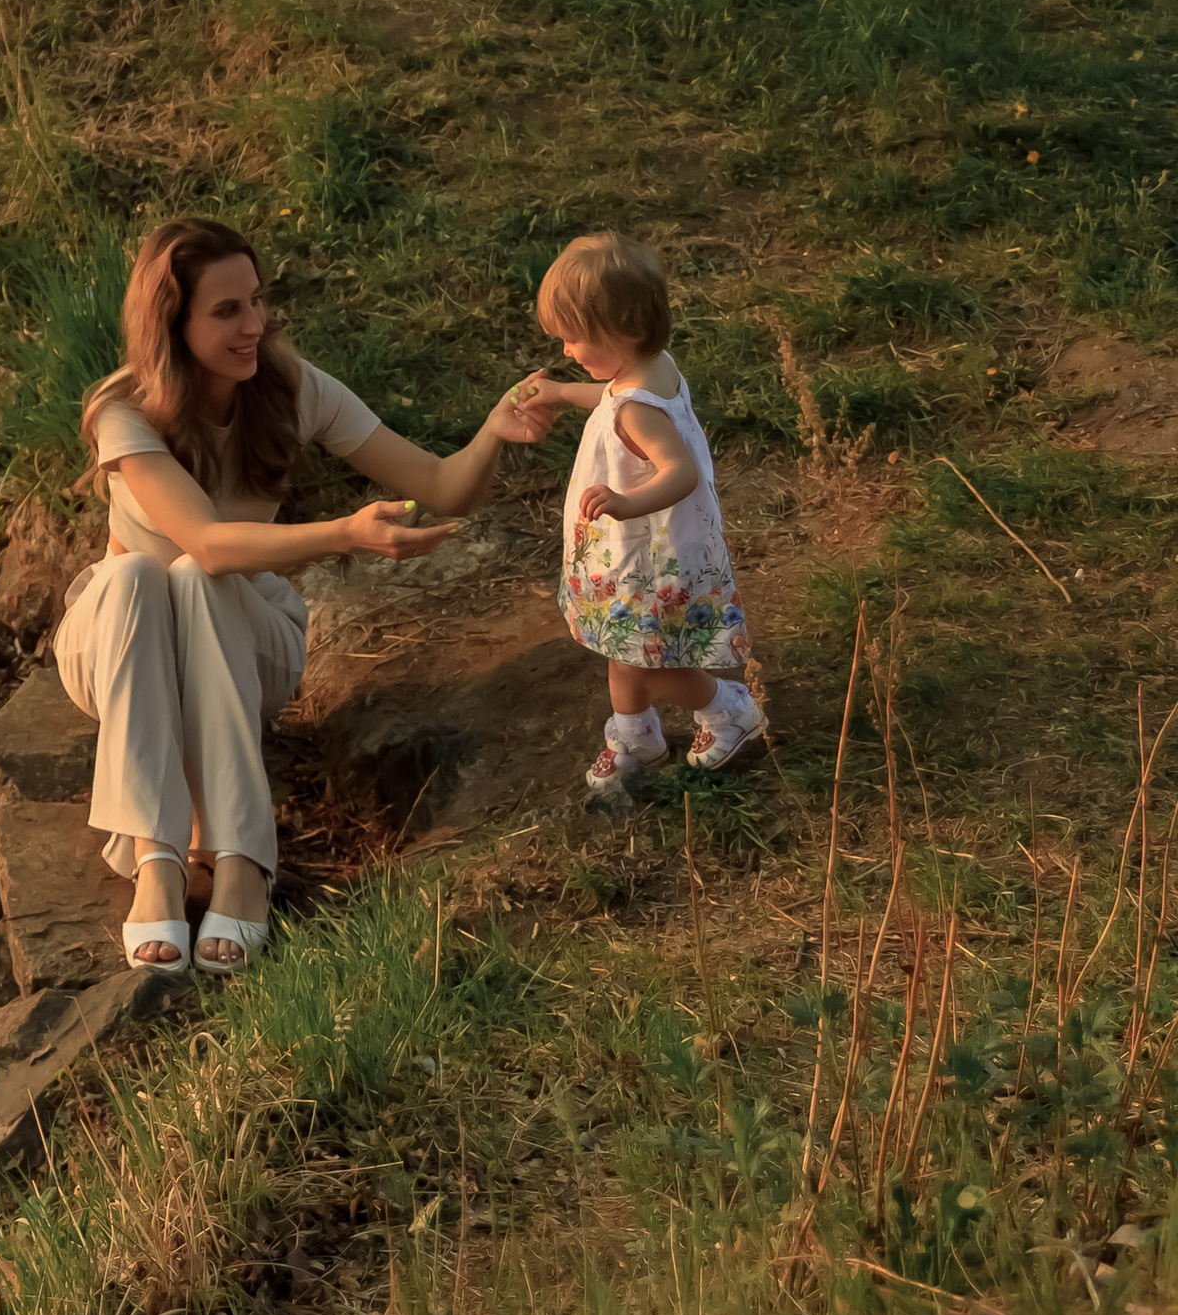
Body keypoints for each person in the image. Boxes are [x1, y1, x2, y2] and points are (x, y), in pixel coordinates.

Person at [54, 214, 558, 978]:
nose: (253, 325)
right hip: (120, 650)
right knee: (143, 572)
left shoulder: (290, 387)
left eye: (257, 301)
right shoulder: (122, 414)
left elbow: (442, 485)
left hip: (246, 641)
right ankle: (158, 860)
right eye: (226, 311)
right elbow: (211, 538)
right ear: (170, 322)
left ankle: (242, 864)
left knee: (198, 581)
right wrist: (346, 533)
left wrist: (491, 432)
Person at [516, 229, 765, 794]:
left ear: (623, 331)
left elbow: (680, 470)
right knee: (620, 644)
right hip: (638, 552)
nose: (565, 352)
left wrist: (627, 502)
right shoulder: (651, 369)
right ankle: (634, 733)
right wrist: (559, 392)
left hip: (645, 554)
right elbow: (611, 398)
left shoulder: (637, 411)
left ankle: (728, 709)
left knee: (643, 657)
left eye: (573, 340)